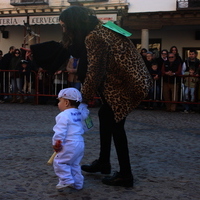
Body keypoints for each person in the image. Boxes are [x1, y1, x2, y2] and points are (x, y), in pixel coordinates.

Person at [58, 6, 152, 187]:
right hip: (133, 80)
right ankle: (104, 162)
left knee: (116, 125)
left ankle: (125, 175)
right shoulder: (106, 26)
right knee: (105, 116)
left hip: (126, 85)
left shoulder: (94, 37)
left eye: (64, 26)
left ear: (73, 25)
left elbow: (95, 71)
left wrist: (82, 100)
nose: (64, 30)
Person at [52, 87, 89, 191]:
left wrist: (57, 143)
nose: (58, 104)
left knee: (60, 162)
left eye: (59, 101)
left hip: (69, 143)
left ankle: (66, 180)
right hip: (80, 143)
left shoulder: (63, 115)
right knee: (74, 164)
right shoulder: (79, 113)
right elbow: (85, 114)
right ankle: (78, 183)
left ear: (66, 102)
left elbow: (60, 131)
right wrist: (85, 105)